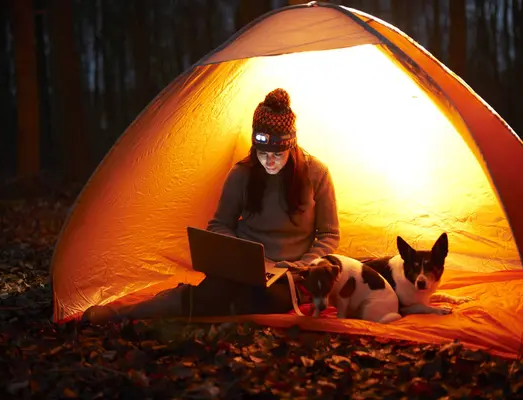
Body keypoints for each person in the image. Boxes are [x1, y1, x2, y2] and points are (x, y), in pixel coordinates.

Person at [82, 88, 340, 323]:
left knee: (262, 301)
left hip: (292, 274)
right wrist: (241, 255)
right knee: (208, 297)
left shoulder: (316, 173)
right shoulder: (243, 174)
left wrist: (306, 264)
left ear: (291, 147)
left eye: (277, 155)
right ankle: (118, 315)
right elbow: (219, 225)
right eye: (262, 154)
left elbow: (329, 234)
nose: (269, 162)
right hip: (247, 268)